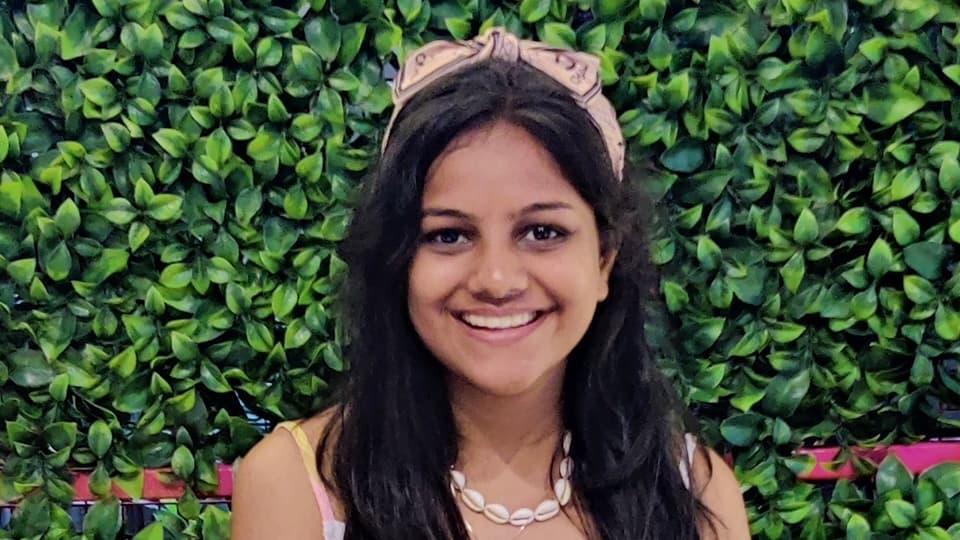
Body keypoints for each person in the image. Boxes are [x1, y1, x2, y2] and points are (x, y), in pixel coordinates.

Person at [232, 28, 750, 540]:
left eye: (542, 232)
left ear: (604, 260)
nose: (497, 280)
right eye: (449, 235)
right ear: (398, 260)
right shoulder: (300, 486)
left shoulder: (694, 493)